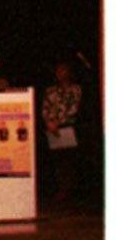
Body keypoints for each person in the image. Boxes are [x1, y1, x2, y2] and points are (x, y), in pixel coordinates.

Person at [42, 60, 82, 200]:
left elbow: (73, 109)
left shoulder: (75, 89)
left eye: (63, 70)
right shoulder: (51, 91)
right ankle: (58, 188)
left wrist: (58, 123)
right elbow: (45, 108)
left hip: (67, 127)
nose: (60, 73)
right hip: (51, 128)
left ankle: (69, 189)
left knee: (68, 160)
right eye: (58, 70)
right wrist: (49, 123)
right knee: (56, 161)